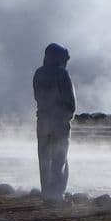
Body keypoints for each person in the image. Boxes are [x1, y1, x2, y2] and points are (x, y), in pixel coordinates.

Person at [32, 42, 76, 203]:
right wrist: (68, 116)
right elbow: (70, 101)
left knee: (44, 159)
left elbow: (37, 97)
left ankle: (46, 194)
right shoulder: (62, 73)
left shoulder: (38, 72)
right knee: (59, 159)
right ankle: (57, 196)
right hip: (59, 122)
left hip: (42, 121)